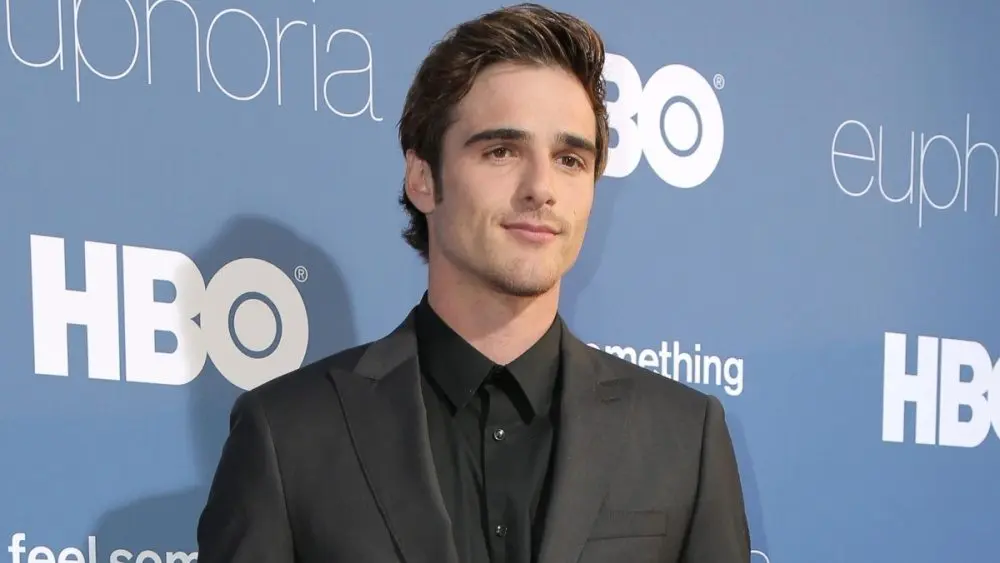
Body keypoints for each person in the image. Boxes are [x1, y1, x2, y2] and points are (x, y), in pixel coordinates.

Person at [195, 3, 750, 562]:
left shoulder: (684, 438)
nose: (541, 187)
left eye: (570, 159)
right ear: (423, 179)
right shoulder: (288, 435)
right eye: (502, 151)